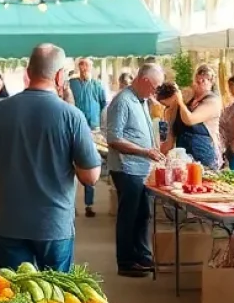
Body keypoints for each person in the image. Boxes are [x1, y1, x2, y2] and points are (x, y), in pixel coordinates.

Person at [0, 44, 100, 271]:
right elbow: (90, 176)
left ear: (28, 72)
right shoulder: (72, 116)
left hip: (8, 222)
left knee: (16, 297)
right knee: (56, 298)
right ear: (60, 76)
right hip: (53, 225)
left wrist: (8, 173)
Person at [105, 63, 166, 278]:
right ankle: (126, 261)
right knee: (129, 215)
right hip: (127, 167)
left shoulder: (141, 101)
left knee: (143, 213)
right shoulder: (122, 101)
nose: (156, 91)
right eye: (155, 86)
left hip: (140, 167)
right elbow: (113, 138)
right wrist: (144, 151)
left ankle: (142, 255)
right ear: (145, 80)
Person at [159, 64, 222, 168]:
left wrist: (179, 101)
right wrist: (162, 155)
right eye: (197, 80)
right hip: (183, 156)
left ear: (211, 82)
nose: (200, 83)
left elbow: (190, 120)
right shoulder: (174, 107)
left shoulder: (213, 101)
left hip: (203, 155)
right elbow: (168, 134)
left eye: (204, 80)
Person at [69, 58, 108, 218]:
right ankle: (71, 206)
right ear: (78, 67)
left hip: (94, 129)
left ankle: (89, 204)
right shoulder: (72, 84)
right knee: (71, 166)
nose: (84, 68)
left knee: (89, 163)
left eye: (87, 65)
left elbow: (103, 105)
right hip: (75, 129)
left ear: (92, 67)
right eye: (82, 65)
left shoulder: (98, 85)